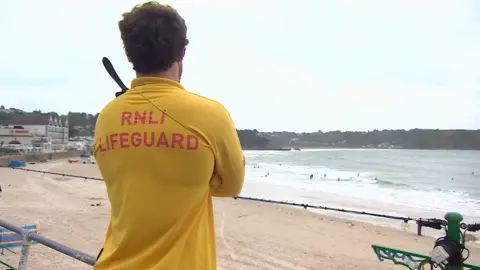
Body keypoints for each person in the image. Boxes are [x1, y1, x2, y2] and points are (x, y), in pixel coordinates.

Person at [92, 2, 245, 269]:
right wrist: (196, 179)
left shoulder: (107, 116)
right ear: (181, 53)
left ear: (130, 55)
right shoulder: (211, 114)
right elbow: (232, 186)